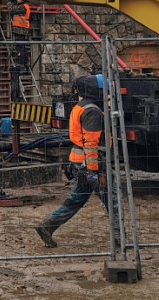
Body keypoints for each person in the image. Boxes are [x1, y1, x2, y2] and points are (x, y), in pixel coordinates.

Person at [35, 74, 109, 248]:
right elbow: (90, 144)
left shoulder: (79, 107)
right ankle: (121, 239)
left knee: (78, 198)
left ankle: (48, 226)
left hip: (78, 161)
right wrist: (93, 171)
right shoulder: (93, 111)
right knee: (112, 200)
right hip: (90, 164)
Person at [10, 0, 31, 67]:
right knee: (22, 46)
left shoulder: (22, 7)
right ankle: (26, 61)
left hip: (20, 29)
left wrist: (9, 3)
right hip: (22, 28)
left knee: (20, 46)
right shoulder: (24, 6)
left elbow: (11, 10)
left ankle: (21, 62)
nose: (16, 0)